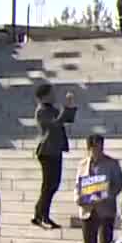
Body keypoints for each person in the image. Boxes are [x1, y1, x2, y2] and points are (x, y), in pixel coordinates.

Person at [76, 134, 122, 243]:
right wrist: (79, 198)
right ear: (89, 148)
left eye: (101, 146)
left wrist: (106, 195)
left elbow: (118, 185)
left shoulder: (112, 163)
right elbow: (78, 185)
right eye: (96, 146)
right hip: (87, 209)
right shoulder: (82, 164)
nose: (99, 149)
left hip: (105, 209)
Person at [30, 84, 78, 230]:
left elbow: (67, 119)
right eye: (51, 93)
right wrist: (65, 109)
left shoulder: (52, 109)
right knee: (49, 185)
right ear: (44, 96)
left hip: (55, 150)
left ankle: (42, 214)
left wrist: (69, 107)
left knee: (53, 184)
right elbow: (55, 124)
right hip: (47, 151)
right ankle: (40, 215)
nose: (54, 95)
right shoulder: (41, 111)